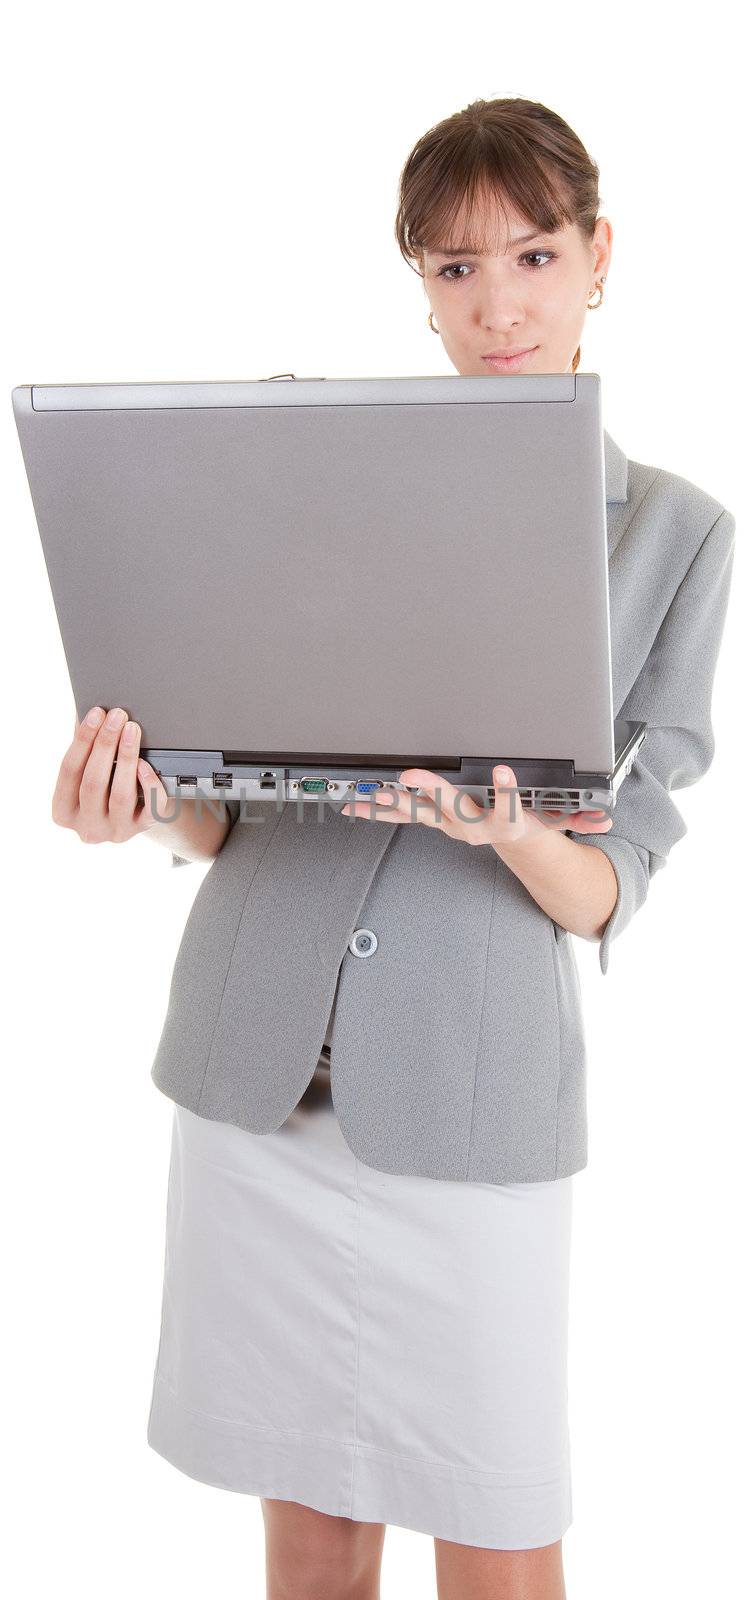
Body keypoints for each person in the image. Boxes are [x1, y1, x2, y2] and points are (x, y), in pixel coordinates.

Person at [52, 97, 736, 1600]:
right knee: (309, 1545)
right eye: (450, 267)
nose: (496, 303)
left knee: (498, 1541)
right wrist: (144, 794)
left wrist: (509, 832)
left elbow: (621, 869)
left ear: (598, 257)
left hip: (471, 1100)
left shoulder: (674, 533)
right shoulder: (308, 472)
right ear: (414, 281)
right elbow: (227, 802)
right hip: (256, 1079)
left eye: (533, 254)